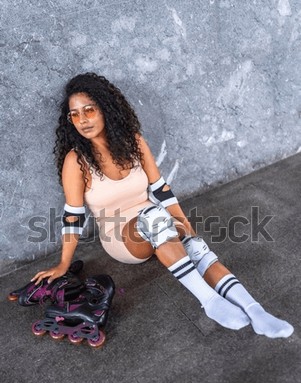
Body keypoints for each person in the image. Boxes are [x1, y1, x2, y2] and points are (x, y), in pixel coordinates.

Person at [31, 72, 293, 339]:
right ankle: (210, 302)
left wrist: (186, 227)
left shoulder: (133, 143)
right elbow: (73, 215)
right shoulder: (76, 161)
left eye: (89, 109)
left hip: (157, 220)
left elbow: (161, 190)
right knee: (156, 217)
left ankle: (256, 311)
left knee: (194, 245)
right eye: (75, 114)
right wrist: (64, 263)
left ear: (105, 108)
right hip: (120, 237)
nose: (83, 119)